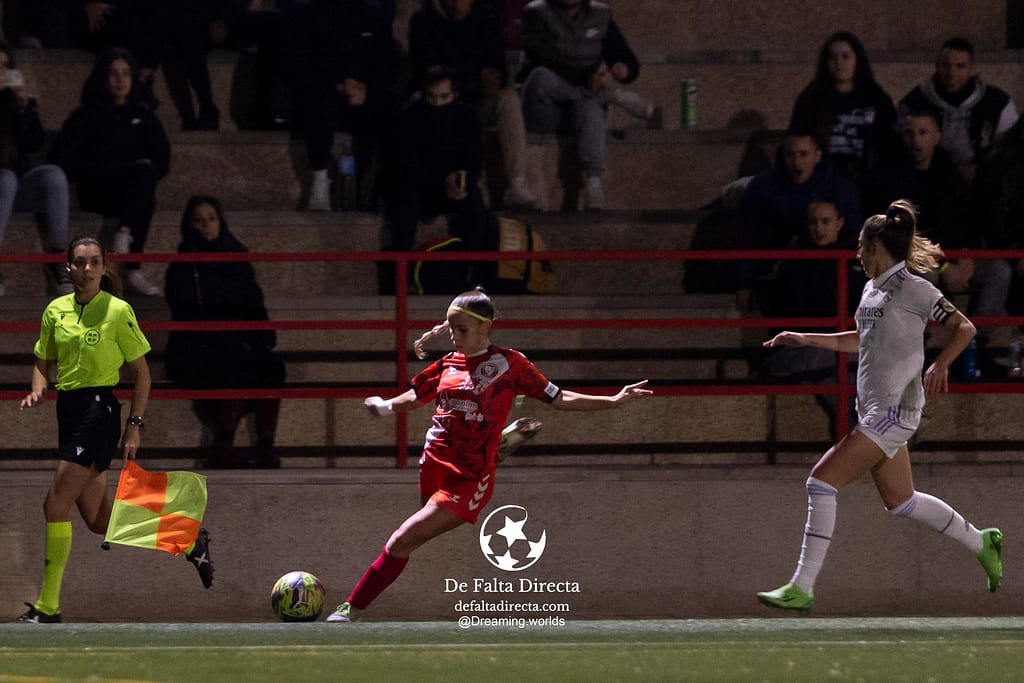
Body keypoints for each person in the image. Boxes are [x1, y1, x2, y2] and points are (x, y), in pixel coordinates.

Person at [325, 286, 652, 622]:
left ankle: (350, 608)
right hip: (432, 464)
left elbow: (560, 398)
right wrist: (383, 408)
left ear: (486, 327)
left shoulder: (510, 364)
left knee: (400, 541)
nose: (454, 336)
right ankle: (498, 446)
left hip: (467, 480)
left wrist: (613, 400)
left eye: (462, 330)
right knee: (405, 540)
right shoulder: (446, 365)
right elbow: (414, 396)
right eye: (451, 329)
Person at [756, 200, 1003, 613]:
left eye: (859, 245)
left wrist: (941, 364)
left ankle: (802, 585)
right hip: (874, 409)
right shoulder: (872, 289)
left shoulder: (916, 287)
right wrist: (803, 337)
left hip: (893, 413)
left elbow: (965, 326)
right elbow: (858, 339)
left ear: (876, 246)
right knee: (902, 501)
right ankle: (982, 542)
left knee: (821, 482)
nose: (856, 252)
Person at [16, 236, 213, 624]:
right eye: (79, 262)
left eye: (93, 262)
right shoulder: (55, 310)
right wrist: (38, 389)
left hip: (98, 411)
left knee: (54, 504)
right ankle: (186, 536)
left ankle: (49, 606)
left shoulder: (118, 311)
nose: (86, 269)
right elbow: (42, 361)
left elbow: (142, 374)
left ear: (104, 268)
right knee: (97, 520)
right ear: (68, 268)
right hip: (68, 412)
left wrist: (134, 426)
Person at [869, 107, 1010, 374]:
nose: (916, 140)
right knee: (926, 276)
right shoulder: (891, 178)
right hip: (917, 261)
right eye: (910, 134)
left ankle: (974, 349)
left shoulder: (950, 176)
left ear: (936, 136)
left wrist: (968, 255)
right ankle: (916, 354)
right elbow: (900, 235)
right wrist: (945, 266)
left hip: (953, 257)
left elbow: (968, 220)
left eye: (923, 133)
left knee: (999, 272)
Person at [164, 195, 285, 469]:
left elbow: (255, 305)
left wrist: (261, 338)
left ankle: (266, 444)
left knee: (272, 368)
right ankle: (223, 444)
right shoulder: (183, 265)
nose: (206, 226)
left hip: (238, 344)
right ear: (189, 225)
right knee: (236, 370)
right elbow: (185, 314)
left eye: (212, 219)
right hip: (197, 348)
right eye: (199, 220)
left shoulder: (237, 257)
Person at [48, 48, 171, 297]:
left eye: (126, 73)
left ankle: (127, 245)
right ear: (103, 77)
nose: (120, 79)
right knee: (141, 185)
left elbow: (162, 160)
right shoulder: (85, 115)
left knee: (145, 175)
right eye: (113, 73)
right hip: (97, 189)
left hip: (131, 192)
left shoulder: (144, 116)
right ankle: (131, 261)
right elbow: (60, 157)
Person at [408, 0, 536, 208]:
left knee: (508, 99)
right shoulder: (423, 21)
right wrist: (472, 80)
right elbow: (429, 72)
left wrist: (494, 78)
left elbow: (498, 63)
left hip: (478, 98)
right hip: (446, 103)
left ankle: (517, 182)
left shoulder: (487, 17)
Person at [758, 198, 866, 437]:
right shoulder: (794, 265)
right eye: (813, 222)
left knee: (851, 362)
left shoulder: (856, 264)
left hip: (834, 348)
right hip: (794, 351)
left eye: (826, 221)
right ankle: (870, 430)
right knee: (835, 358)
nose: (819, 228)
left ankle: (863, 432)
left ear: (839, 223)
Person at [519, 0, 640, 210]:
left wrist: (623, 68)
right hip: (544, 108)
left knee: (590, 107)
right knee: (541, 77)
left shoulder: (600, 15)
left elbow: (626, 58)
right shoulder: (536, 13)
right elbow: (543, 57)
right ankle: (610, 97)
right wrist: (586, 80)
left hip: (577, 112)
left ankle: (593, 183)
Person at [736, 129, 863, 307]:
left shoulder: (840, 189)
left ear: (817, 155)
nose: (797, 162)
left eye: (803, 154)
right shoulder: (763, 188)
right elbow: (746, 235)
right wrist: (745, 282)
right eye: (790, 155)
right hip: (786, 273)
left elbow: (854, 235)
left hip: (833, 273)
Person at [383, 66, 496, 261]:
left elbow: (474, 159)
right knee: (404, 207)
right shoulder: (409, 116)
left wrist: (462, 181)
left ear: (455, 94)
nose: (437, 103)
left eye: (444, 97)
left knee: (478, 212)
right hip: (418, 187)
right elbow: (403, 165)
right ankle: (399, 278)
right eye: (431, 97)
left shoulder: (467, 116)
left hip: (452, 187)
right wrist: (440, 179)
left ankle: (472, 275)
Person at [297, 0, 399, 211]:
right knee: (318, 104)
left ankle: (380, 184)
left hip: (365, 94)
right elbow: (305, 63)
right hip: (328, 92)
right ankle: (319, 179)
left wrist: (366, 88)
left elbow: (388, 64)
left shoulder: (375, 15)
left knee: (395, 105)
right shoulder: (311, 15)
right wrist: (338, 85)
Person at [0, 39, 73, 297]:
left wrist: (24, 108)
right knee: (5, 178)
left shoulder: (15, 104)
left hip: (13, 187)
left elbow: (34, 143)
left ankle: (57, 258)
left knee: (53, 175)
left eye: (5, 67)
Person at [898, 37, 1020, 186]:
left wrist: (982, 168)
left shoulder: (998, 103)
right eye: (946, 65)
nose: (952, 73)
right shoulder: (914, 102)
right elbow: (898, 146)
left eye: (960, 66)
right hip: (927, 183)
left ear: (972, 69)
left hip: (983, 184)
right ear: (937, 66)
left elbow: (1011, 149)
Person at [789, 31, 900, 192]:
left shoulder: (876, 98)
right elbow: (795, 139)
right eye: (833, 57)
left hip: (866, 182)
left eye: (845, 56)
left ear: (857, 60)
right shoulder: (812, 99)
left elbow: (889, 144)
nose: (839, 62)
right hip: (820, 181)